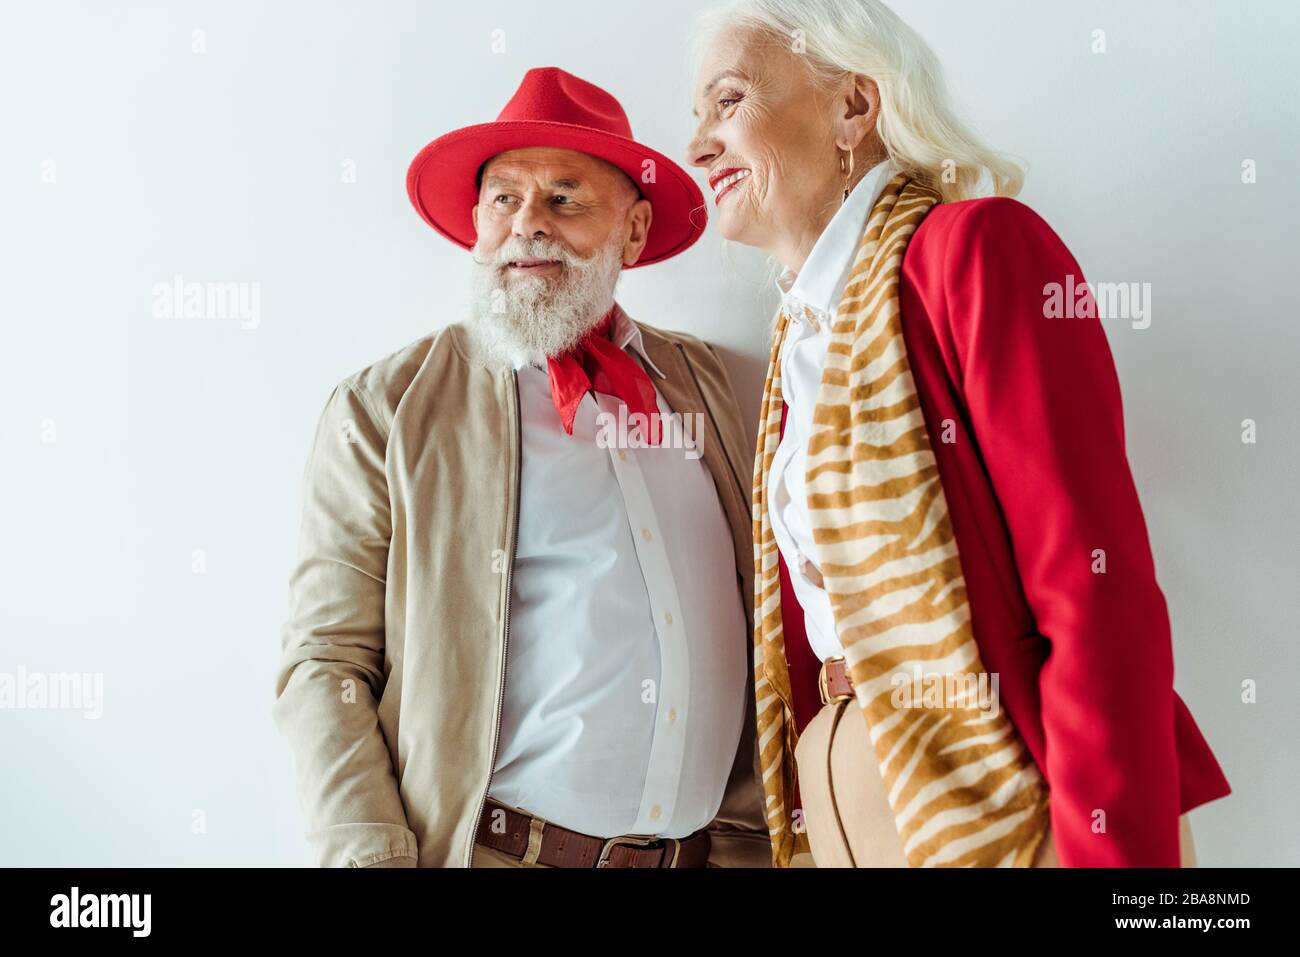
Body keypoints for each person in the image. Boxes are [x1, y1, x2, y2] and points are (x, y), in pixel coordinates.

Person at [686, 0, 1231, 867]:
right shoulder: (802, 340)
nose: (699, 145)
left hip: (1019, 801)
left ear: (852, 108)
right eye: (698, 116)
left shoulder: (975, 249)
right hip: (853, 817)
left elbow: (1092, 581)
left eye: (728, 101)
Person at [273, 66, 769, 868]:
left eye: (565, 197)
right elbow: (324, 662)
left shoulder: (708, 383)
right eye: (505, 198)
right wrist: (368, 855)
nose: (528, 225)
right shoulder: (384, 408)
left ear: (634, 233)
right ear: (477, 223)